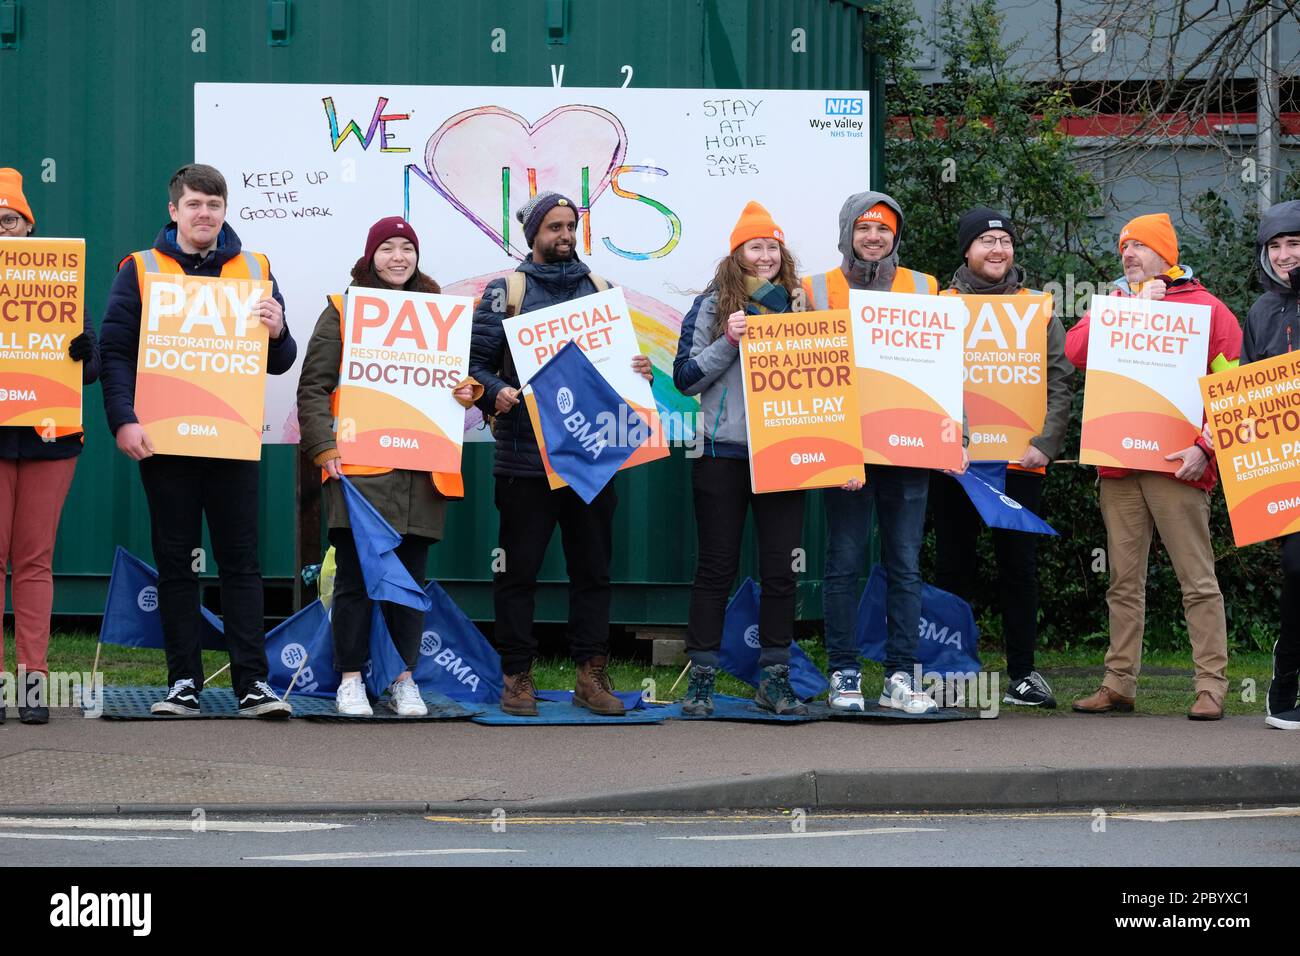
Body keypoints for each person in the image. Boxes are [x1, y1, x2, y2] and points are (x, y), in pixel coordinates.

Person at [100, 163, 297, 717]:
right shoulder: (140, 269)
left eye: (213, 205)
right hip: (165, 441)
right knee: (175, 563)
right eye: (193, 205)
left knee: (241, 563)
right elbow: (113, 352)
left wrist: (279, 330)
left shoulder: (255, 267)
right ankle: (182, 684)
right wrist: (123, 420)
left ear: (224, 209)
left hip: (231, 440)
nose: (204, 214)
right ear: (174, 211)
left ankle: (252, 685)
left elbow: (280, 361)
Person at [468, 191, 653, 717]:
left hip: (594, 453)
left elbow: (624, 368)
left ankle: (590, 676)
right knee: (518, 574)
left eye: (571, 225)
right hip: (526, 458)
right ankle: (517, 677)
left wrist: (639, 372)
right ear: (534, 236)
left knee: (593, 572)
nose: (565, 235)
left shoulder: (602, 290)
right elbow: (474, 367)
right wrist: (493, 391)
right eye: (553, 227)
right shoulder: (508, 291)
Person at [297, 216, 479, 716]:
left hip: (422, 475)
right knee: (355, 580)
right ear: (370, 255)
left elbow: (456, 385)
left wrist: (468, 392)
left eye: (406, 248)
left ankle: (403, 679)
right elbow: (313, 387)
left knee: (409, 585)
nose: (398, 257)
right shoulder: (342, 310)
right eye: (387, 248)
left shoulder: (438, 315)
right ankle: (350, 679)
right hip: (359, 474)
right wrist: (324, 449)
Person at [1065, 213, 1241, 720]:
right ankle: (1118, 684)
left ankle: (1211, 687)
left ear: (1167, 253)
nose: (1129, 254)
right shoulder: (1115, 304)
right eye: (1124, 247)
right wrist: (1130, 309)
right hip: (1119, 469)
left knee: (1198, 580)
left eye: (1139, 246)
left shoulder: (1210, 310)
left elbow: (1232, 389)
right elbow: (1075, 351)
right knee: (1123, 581)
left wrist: (1206, 449)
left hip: (1179, 468)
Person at [802, 191, 957, 715]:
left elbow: (942, 365)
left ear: (896, 235)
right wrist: (829, 449)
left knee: (905, 565)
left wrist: (948, 432)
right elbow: (804, 373)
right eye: (864, 229)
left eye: (884, 230)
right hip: (846, 449)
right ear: (848, 232)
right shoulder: (815, 288)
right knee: (844, 562)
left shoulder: (923, 286)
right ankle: (844, 673)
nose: (874, 238)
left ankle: (898, 677)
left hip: (909, 448)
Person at [933, 207, 1074, 707]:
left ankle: (1022, 675)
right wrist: (943, 440)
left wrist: (1047, 443)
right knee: (953, 567)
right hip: (957, 464)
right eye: (986, 241)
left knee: (1019, 569)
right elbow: (924, 376)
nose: (998, 250)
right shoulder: (940, 304)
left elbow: (1060, 378)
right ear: (967, 251)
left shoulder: (1039, 307)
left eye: (1005, 241)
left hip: (1021, 461)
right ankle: (949, 673)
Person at [672, 201, 808, 716]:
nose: (767, 255)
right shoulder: (710, 308)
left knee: (780, 571)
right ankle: (701, 679)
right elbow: (685, 380)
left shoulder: (800, 307)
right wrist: (728, 341)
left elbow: (829, 383)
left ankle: (774, 679)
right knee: (716, 567)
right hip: (720, 455)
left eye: (773, 246)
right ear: (737, 254)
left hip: (786, 455)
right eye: (757, 246)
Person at [0, 167, 100, 724]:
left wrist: (83, 350)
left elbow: (88, 374)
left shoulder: (57, 276)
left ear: (28, 225)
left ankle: (32, 684)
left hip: (49, 437)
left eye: (10, 219)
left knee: (34, 561)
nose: (2, 229)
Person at [1239, 199, 1300, 730]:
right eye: (1275, 246)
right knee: (1297, 570)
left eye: (1294, 244)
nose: (1283, 255)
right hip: (1285, 469)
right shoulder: (1260, 311)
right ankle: (1283, 693)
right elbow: (1247, 384)